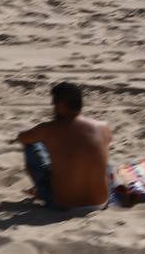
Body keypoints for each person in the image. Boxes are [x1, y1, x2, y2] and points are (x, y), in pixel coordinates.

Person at [16, 82, 112, 211]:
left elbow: (22, 138)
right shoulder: (103, 127)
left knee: (32, 144)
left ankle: (40, 189)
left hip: (64, 204)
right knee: (103, 163)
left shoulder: (49, 128)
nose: (53, 108)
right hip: (101, 203)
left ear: (61, 105)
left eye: (54, 104)